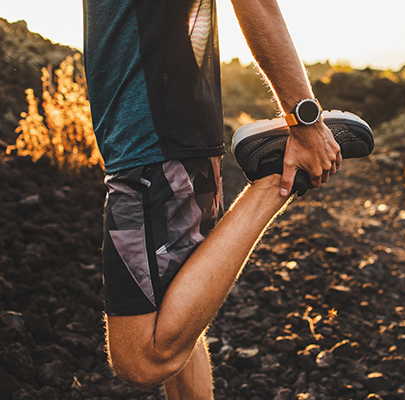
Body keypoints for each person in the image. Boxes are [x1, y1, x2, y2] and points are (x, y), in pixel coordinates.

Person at [83, 0, 373, 398]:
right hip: (152, 133)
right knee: (175, 314)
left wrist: (304, 121)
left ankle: (275, 180)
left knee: (143, 357)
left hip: (153, 136)